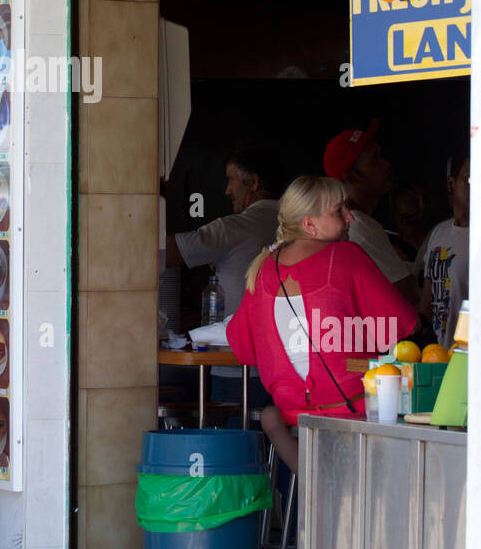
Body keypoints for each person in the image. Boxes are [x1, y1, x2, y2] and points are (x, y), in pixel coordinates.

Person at [227, 176, 418, 473]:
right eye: (339, 211)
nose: (350, 217)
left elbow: (243, 348)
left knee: (270, 415)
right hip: (349, 403)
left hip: (290, 406)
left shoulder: (264, 267)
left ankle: (317, 484)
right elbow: (403, 326)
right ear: (309, 224)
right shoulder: (346, 255)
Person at [166, 142, 281, 406]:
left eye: (231, 180)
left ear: (252, 183)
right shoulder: (299, 224)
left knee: (237, 441)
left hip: (236, 371)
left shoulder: (237, 227)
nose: (227, 189)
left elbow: (168, 252)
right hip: (287, 368)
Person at [323, 121, 416, 303]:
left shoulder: (340, 223)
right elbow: (408, 297)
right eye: (374, 160)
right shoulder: (358, 226)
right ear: (352, 176)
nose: (386, 164)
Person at [419, 150, 469, 349]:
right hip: (438, 354)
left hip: (469, 359)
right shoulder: (439, 233)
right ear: (451, 184)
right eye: (469, 178)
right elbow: (427, 302)